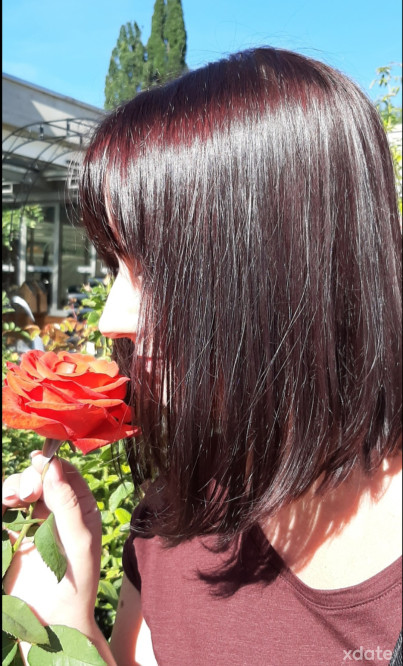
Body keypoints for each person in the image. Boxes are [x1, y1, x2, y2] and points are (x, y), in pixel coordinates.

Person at [2, 47, 402, 666]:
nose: (112, 320)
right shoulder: (173, 520)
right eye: (115, 267)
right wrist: (64, 618)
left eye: (156, 269)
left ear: (287, 265)